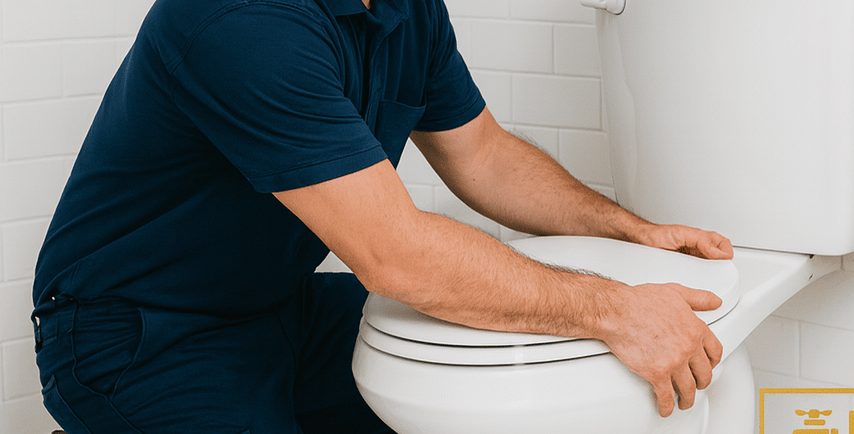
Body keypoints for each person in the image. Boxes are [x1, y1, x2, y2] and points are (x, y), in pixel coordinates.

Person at [31, 0, 734, 432]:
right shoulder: (240, 19)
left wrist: (628, 228)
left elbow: (483, 155)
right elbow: (396, 256)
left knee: (470, 386)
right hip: (136, 335)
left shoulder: (406, 7)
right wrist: (613, 309)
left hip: (277, 307)